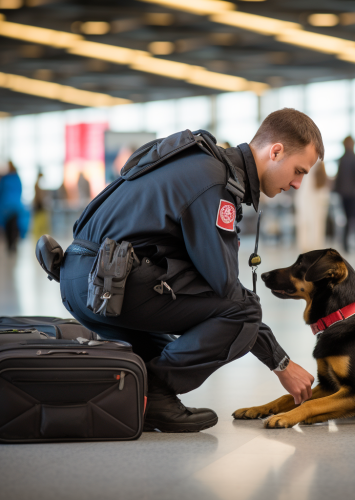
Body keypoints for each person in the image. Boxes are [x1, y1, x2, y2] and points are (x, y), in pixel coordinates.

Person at [59, 108, 323, 433]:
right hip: (106, 284)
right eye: (298, 171)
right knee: (244, 311)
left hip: (82, 281)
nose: (297, 183)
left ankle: (139, 395)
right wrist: (280, 362)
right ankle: (156, 395)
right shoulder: (214, 182)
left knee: (166, 350)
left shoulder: (199, 162)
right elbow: (227, 288)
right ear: (276, 151)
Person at [334, 136, 355, 253]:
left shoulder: (342, 159)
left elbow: (338, 179)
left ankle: (345, 244)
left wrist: (336, 191)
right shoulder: (354, 158)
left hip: (343, 194)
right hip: (353, 194)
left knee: (347, 219)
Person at [294, 160, 330, 253]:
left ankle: (308, 248)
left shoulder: (306, 169)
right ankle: (315, 248)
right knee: (317, 226)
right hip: (316, 202)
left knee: (306, 225)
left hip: (307, 202)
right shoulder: (319, 167)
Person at [0, 161, 28, 253]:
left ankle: (10, 245)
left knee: (8, 226)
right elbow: (20, 190)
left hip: (6, 207)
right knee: (14, 225)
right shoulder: (17, 178)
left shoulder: (4, 179)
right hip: (15, 206)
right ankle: (13, 244)